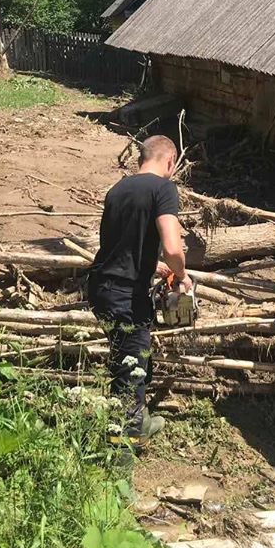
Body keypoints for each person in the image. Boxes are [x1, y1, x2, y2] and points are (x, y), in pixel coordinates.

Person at [88, 135, 192, 447]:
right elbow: (173, 248)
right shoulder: (164, 188)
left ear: (140, 160)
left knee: (125, 358)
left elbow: (120, 245)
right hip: (125, 294)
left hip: (101, 287)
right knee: (131, 370)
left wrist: (151, 267)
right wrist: (181, 274)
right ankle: (121, 454)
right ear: (171, 161)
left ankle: (138, 422)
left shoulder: (118, 189)